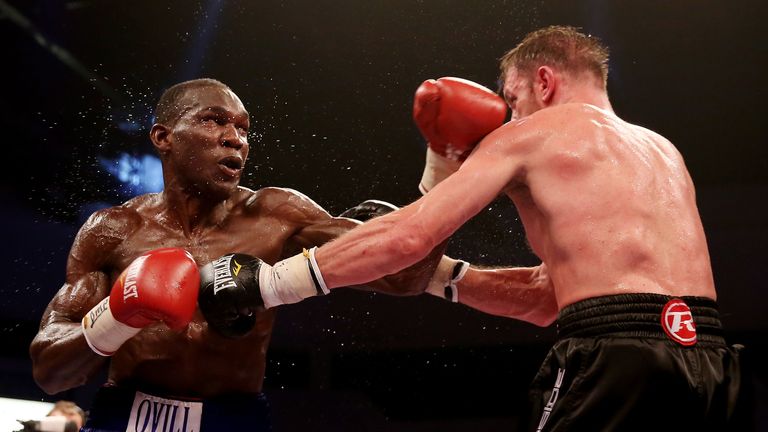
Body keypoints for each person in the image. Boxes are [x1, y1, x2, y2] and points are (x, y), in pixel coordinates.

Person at [227, 26, 745, 430]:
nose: (508, 116)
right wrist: (441, 275)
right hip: (713, 364)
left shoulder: (533, 133)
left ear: (544, 81)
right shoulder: (663, 152)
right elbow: (547, 298)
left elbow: (408, 237)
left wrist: (267, 284)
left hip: (614, 360)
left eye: (512, 100)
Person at [29, 78, 443, 431]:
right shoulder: (113, 230)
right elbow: (49, 372)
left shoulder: (276, 213)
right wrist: (116, 318)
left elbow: (405, 275)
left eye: (243, 129)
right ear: (163, 137)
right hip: (127, 416)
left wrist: (446, 169)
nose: (235, 138)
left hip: (234, 418)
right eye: (213, 120)